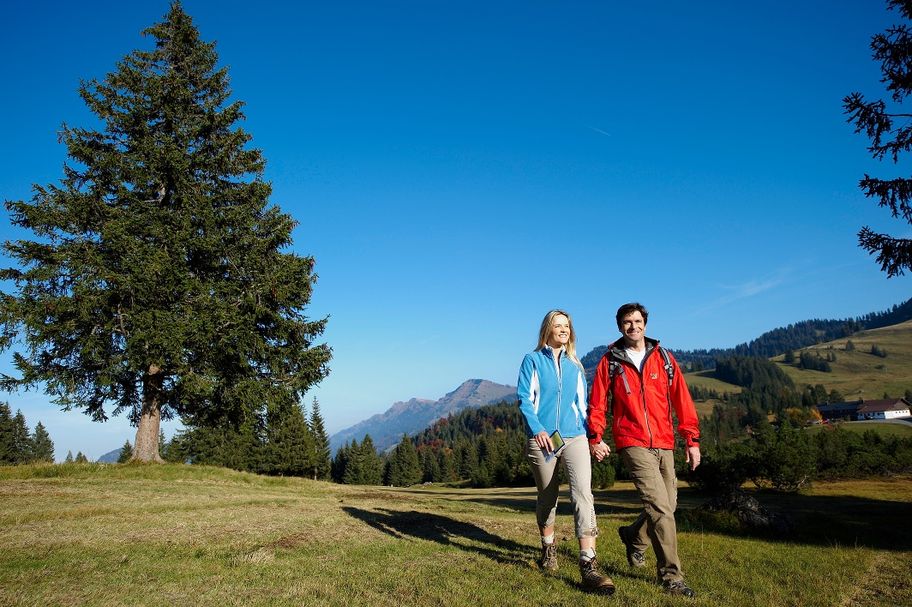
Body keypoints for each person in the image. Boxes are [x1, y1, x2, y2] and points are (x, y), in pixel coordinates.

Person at [587, 302, 701, 598]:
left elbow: (682, 400)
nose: (633, 326)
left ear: (645, 324)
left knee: (668, 505)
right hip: (632, 441)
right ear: (619, 326)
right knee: (661, 509)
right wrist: (595, 437)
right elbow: (597, 403)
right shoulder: (609, 362)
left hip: (664, 442)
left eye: (637, 321)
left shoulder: (664, 358)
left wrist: (692, 440)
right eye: (627, 322)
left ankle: (634, 536)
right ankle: (672, 578)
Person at [517, 309, 614, 594]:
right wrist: (538, 429)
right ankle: (548, 548)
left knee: (583, 493)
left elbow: (583, 407)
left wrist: (594, 438)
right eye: (557, 326)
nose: (563, 330)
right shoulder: (532, 360)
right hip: (543, 439)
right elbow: (525, 398)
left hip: (574, 437)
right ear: (547, 330)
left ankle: (589, 563)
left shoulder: (575, 365)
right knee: (548, 498)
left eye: (566, 326)